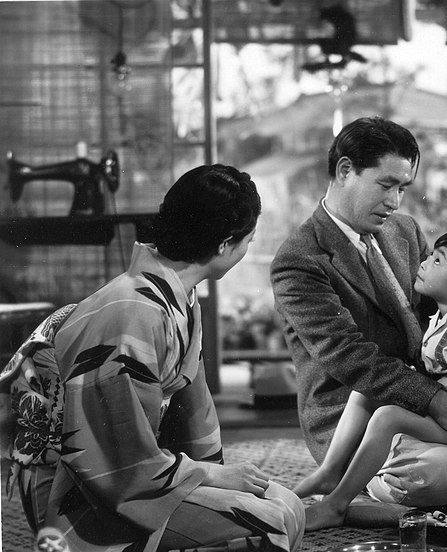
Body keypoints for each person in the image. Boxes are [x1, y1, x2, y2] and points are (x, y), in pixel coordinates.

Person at [0, 165, 304, 551]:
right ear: (225, 244)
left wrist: (215, 475)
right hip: (80, 484)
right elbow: (116, 453)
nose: (248, 249)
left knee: (288, 504)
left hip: (141, 471)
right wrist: (207, 479)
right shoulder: (131, 311)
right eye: (248, 240)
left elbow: (195, 412)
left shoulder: (181, 296)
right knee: (268, 522)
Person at [271, 116, 447, 509]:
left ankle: (437, 483)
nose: (395, 201)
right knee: (440, 477)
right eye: (386, 185)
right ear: (345, 171)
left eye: (403, 188)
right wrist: (436, 399)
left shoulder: (403, 230)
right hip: (359, 413)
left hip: (435, 393)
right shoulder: (301, 259)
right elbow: (350, 358)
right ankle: (395, 483)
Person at [293, 230, 447, 529]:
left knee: (387, 417)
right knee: (368, 390)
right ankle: (330, 472)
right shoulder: (445, 316)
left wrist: (433, 388)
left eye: (437, 261)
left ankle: (336, 504)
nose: (424, 263)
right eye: (429, 256)